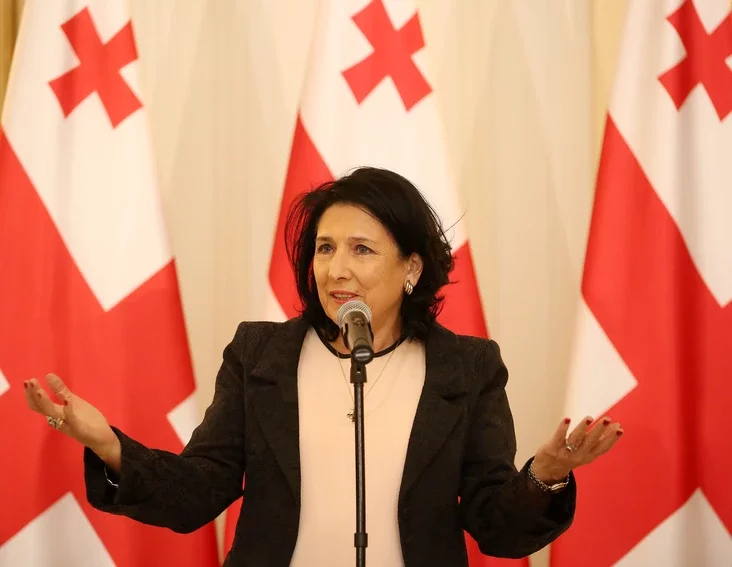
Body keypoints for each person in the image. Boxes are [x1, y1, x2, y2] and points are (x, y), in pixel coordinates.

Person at [23, 166, 623, 566]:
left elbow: (496, 528)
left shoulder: (465, 369)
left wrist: (544, 476)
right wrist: (109, 446)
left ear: (412, 268)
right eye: (325, 248)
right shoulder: (261, 355)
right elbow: (197, 491)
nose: (336, 270)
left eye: (361, 249)